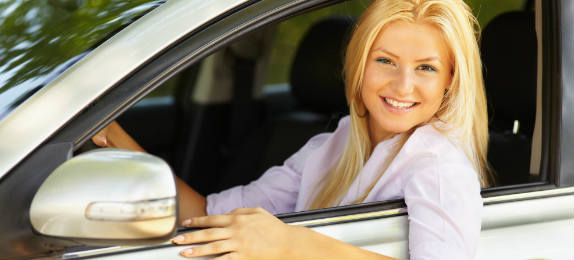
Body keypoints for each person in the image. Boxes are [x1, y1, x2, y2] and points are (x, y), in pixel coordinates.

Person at [93, 0, 490, 258]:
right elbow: (208, 215)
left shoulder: (440, 168)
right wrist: (109, 137)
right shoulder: (330, 146)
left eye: (427, 68)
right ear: (358, 65)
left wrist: (289, 244)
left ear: (450, 82)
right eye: (385, 61)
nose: (403, 86)